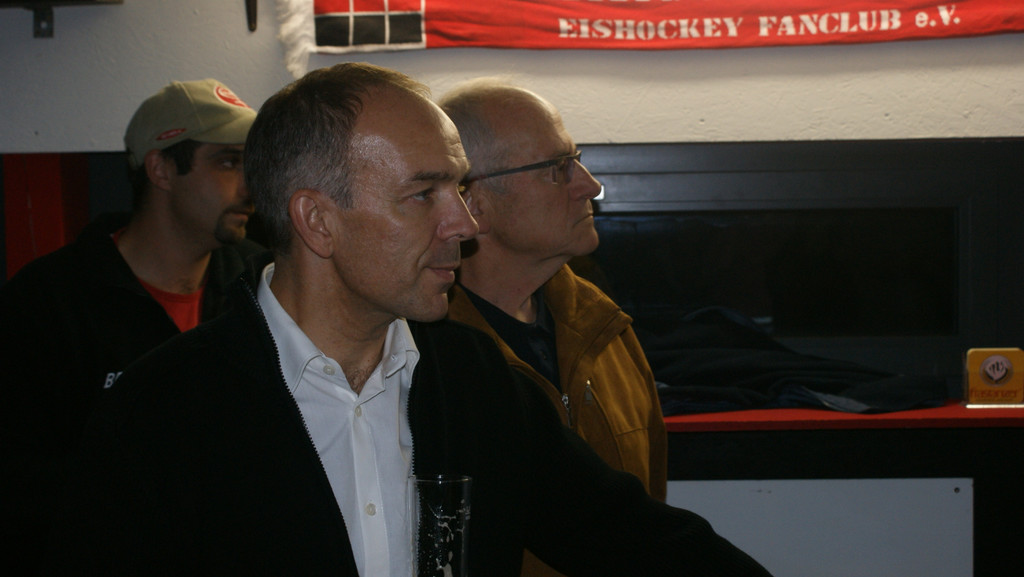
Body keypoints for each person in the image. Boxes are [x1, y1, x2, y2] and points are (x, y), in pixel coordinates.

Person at [44, 63, 771, 577]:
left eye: (459, 187)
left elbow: (636, 540)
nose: (464, 223)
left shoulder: (477, 383)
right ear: (318, 221)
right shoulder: (162, 409)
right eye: (425, 195)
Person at [0, 79, 263, 576]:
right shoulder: (49, 303)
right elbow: (19, 483)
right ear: (160, 168)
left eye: (253, 164)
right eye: (229, 162)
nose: (250, 185)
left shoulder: (263, 284)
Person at [438, 79, 668, 577]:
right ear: (473, 204)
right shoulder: (425, 356)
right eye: (556, 168)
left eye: (577, 160)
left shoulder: (604, 328)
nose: (590, 185)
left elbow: (647, 524)